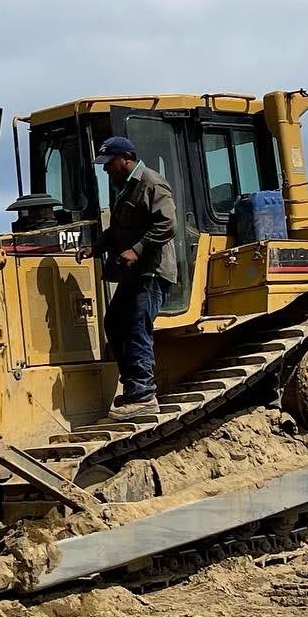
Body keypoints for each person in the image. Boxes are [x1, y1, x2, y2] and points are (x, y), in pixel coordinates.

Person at [94, 135, 177, 414]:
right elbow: (117, 231)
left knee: (135, 327)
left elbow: (167, 225)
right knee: (114, 323)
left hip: (151, 272)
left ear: (126, 159)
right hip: (134, 274)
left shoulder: (152, 183)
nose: (106, 170)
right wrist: (95, 248)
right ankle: (133, 387)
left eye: (110, 163)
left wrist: (137, 250)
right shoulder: (123, 191)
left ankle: (143, 396)